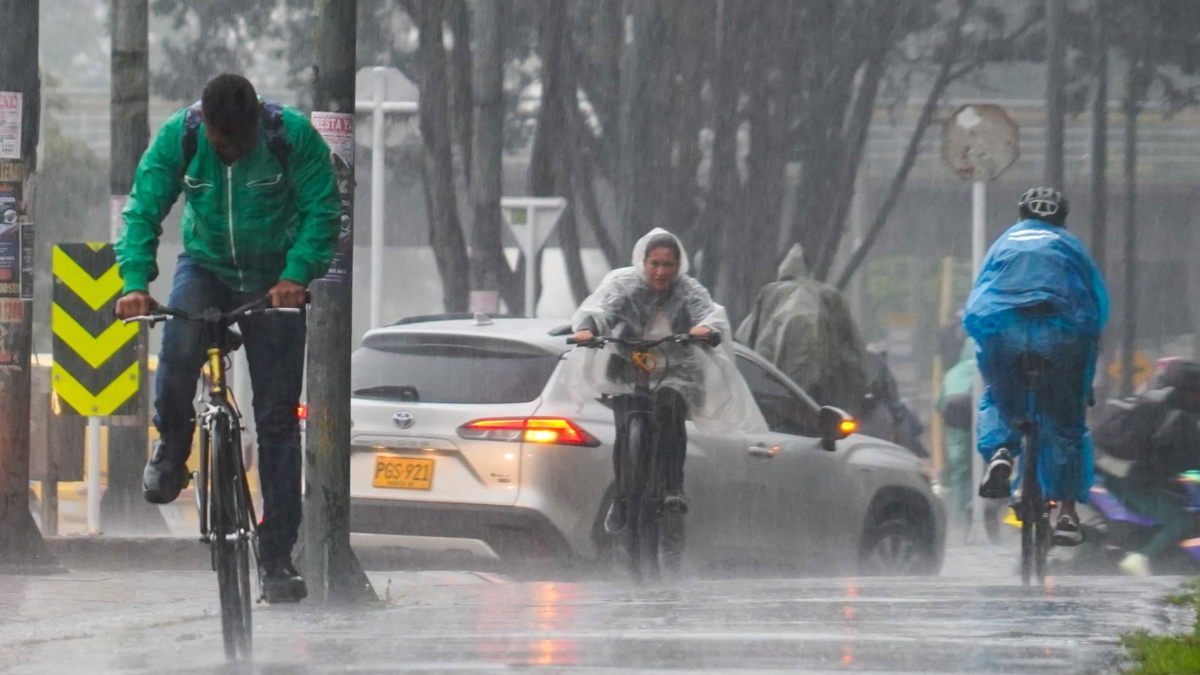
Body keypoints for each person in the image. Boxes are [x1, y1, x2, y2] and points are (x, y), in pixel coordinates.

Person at [114, 73, 340, 602]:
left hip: (274, 276)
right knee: (176, 355)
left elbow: (324, 211)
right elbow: (143, 210)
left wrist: (297, 275)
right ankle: (172, 447)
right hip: (206, 266)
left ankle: (278, 558)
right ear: (207, 128)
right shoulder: (182, 136)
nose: (230, 155)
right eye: (220, 146)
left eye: (238, 145)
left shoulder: (293, 137)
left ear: (258, 122)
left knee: (278, 423)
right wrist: (133, 283)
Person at [569, 228, 765, 533]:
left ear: (678, 266)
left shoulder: (689, 290)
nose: (661, 272)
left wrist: (705, 329)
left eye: (668, 265)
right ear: (643, 263)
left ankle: (673, 487)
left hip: (675, 368)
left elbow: (708, 314)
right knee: (624, 428)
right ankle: (622, 499)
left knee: (671, 407)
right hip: (629, 364)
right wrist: (587, 328)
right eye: (655, 264)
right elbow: (600, 311)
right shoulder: (624, 285)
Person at [965, 187, 1109, 546]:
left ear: (1021, 215)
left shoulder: (1004, 241)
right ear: (1062, 218)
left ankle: (1000, 452)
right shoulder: (1071, 246)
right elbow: (1097, 305)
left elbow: (979, 292)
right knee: (1066, 421)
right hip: (1061, 331)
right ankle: (1067, 515)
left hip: (1002, 326)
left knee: (999, 398)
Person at [736, 244, 869, 415]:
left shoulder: (771, 293)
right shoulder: (827, 295)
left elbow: (746, 340)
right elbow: (853, 349)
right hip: (821, 389)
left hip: (774, 389)